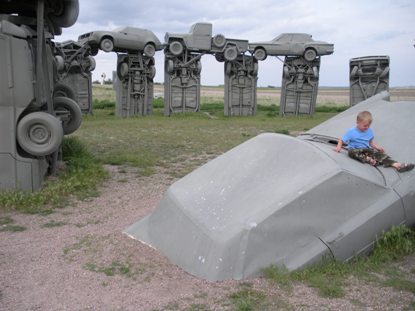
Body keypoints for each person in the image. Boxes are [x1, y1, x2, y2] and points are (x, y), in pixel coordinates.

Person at [335, 110, 414, 173]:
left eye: (368, 126)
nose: (366, 127)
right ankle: (370, 160)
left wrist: (378, 147)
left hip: (367, 150)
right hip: (356, 150)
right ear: (357, 122)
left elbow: (370, 143)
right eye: (364, 126)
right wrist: (338, 147)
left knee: (379, 154)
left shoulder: (369, 131)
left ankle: (398, 165)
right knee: (351, 152)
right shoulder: (351, 131)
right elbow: (341, 140)